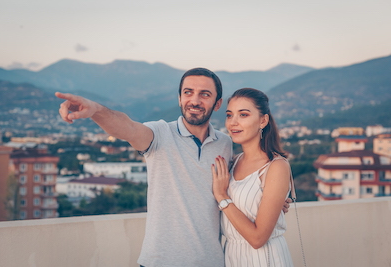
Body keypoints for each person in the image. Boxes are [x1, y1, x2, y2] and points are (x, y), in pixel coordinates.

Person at [56, 68, 290, 267]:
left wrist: (274, 200)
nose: (195, 100)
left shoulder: (225, 144)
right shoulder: (159, 134)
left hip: (214, 262)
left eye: (205, 94)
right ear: (179, 98)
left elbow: (243, 187)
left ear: (217, 103)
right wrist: (96, 110)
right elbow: (125, 127)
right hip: (160, 262)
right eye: (188, 92)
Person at [212, 88, 294, 267]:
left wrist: (222, 197)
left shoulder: (276, 166)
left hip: (265, 259)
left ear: (263, 120)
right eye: (229, 115)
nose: (233, 122)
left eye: (243, 115)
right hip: (232, 257)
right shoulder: (234, 161)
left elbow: (258, 238)